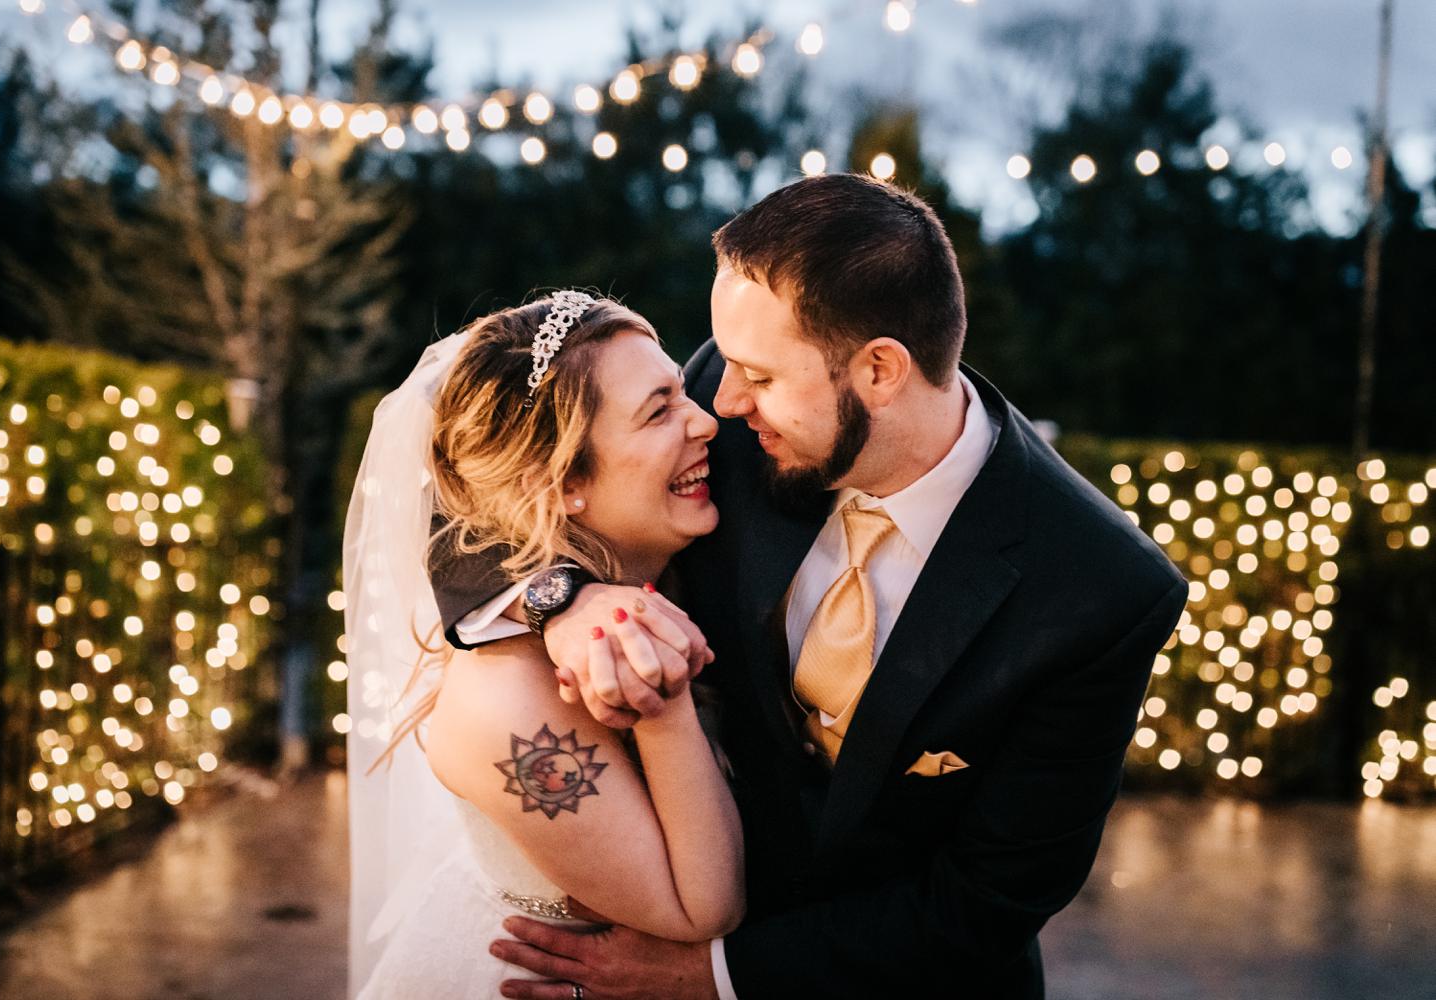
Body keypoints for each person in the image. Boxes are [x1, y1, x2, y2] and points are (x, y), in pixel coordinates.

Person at [435, 174, 1190, 999]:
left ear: (878, 371)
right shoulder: (724, 411)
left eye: (755, 377)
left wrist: (708, 979)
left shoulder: (1100, 589)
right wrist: (562, 600)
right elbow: (482, 494)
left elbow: (987, 901)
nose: (718, 401)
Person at [344, 292, 746, 999]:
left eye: (680, 392)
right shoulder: (503, 702)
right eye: (658, 411)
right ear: (563, 484)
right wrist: (656, 693)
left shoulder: (650, 559)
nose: (706, 420)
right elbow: (701, 907)